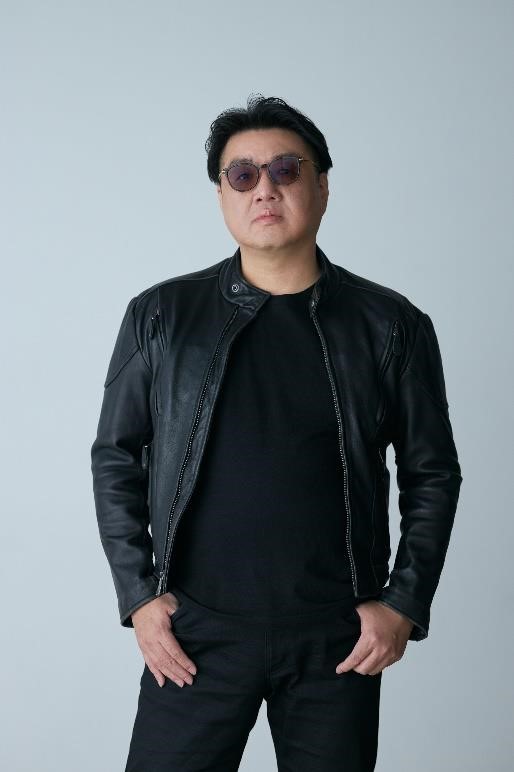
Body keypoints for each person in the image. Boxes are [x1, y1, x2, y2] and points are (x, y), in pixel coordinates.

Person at [90, 94, 463, 772]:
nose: (264, 188)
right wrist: (139, 597)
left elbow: (431, 471)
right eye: (243, 175)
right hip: (194, 634)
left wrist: (404, 602)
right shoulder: (161, 315)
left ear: (322, 187)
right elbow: (115, 456)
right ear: (222, 195)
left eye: (286, 170)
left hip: (338, 639)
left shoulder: (391, 325)